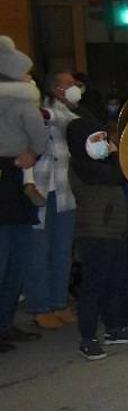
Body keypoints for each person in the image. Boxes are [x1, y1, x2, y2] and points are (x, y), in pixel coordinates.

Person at [66, 118, 128, 360]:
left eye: (103, 138)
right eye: (96, 140)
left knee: (115, 283)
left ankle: (116, 328)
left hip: (115, 231)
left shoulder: (101, 163)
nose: (103, 144)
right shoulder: (82, 166)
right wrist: (116, 155)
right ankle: (88, 337)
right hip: (95, 233)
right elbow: (117, 176)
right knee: (94, 286)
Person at [24, 71, 86, 329]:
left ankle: (58, 302)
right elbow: (48, 120)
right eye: (69, 85)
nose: (75, 88)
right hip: (38, 190)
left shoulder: (67, 113)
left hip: (63, 193)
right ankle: (40, 306)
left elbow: (70, 122)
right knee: (39, 251)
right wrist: (44, 114)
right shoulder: (36, 112)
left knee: (62, 251)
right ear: (55, 89)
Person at [0, 35, 45, 354]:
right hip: (12, 180)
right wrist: (31, 151)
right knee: (13, 258)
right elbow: (38, 137)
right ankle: (3, 323)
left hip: (10, 177)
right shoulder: (21, 101)